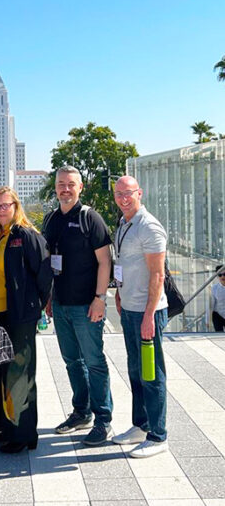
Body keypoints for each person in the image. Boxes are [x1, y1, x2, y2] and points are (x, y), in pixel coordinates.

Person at [43, 165, 113, 446]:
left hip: (87, 305)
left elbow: (105, 261)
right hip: (60, 304)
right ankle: (81, 412)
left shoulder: (90, 218)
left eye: (71, 184)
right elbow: (49, 262)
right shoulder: (50, 220)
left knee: (94, 362)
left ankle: (103, 420)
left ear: (80, 187)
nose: (65, 189)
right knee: (72, 361)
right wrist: (49, 298)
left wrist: (100, 298)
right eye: (61, 184)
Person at [0, 186, 52, 453]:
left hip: (20, 315)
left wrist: (34, 304)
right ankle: (8, 428)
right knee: (2, 372)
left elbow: (44, 275)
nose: (1, 209)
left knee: (20, 373)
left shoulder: (26, 235)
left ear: (15, 206)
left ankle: (23, 435)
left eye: (6, 205)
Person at [111, 175, 169, 458]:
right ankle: (141, 425)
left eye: (128, 193)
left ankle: (158, 436)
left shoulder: (149, 226)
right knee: (135, 370)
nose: (123, 198)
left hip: (148, 312)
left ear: (139, 193)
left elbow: (158, 274)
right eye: (119, 193)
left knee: (152, 373)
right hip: (130, 308)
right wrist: (120, 294)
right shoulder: (124, 223)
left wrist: (149, 315)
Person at [209, 265, 225, 331]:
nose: (222, 277)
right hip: (218, 315)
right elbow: (210, 305)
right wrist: (208, 321)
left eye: (224, 274)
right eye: (220, 275)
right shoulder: (214, 288)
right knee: (219, 335)